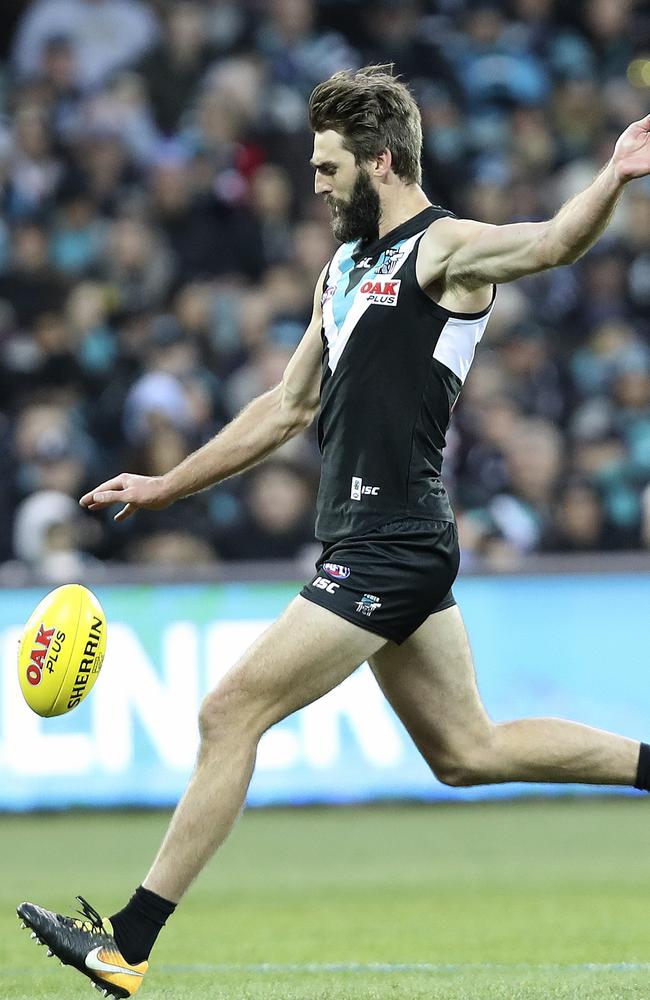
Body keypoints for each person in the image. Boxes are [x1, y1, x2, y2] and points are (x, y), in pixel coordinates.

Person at [17, 66, 650, 999]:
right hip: (377, 538)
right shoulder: (342, 270)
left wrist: (615, 175)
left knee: (228, 712)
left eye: (326, 168)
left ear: (381, 161)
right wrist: (164, 485)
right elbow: (283, 408)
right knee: (466, 751)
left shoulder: (445, 249)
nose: (313, 185)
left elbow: (553, 243)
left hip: (392, 541)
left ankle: (129, 942)